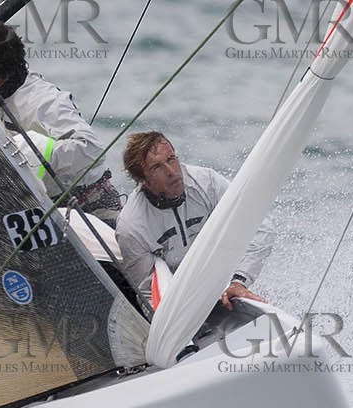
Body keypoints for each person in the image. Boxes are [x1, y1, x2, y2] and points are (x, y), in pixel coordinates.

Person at [0, 19, 124, 224]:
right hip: (46, 211)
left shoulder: (45, 101)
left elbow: (92, 150)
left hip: (92, 208)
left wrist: (40, 154)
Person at [114, 131, 274, 309]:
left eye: (171, 159)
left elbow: (261, 226)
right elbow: (147, 294)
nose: (171, 171)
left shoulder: (207, 183)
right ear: (142, 179)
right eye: (157, 167)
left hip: (224, 283)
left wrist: (240, 281)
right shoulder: (131, 226)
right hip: (175, 299)